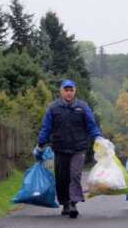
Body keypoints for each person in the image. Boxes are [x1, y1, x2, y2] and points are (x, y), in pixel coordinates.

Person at [36, 79, 102, 218]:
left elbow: (91, 125)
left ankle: (73, 202)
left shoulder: (82, 107)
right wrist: (41, 143)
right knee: (62, 177)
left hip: (78, 148)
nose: (69, 93)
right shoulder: (53, 108)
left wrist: (98, 137)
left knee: (75, 175)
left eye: (71, 90)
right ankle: (65, 203)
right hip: (60, 148)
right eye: (66, 90)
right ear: (61, 91)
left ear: (75, 91)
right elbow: (46, 127)